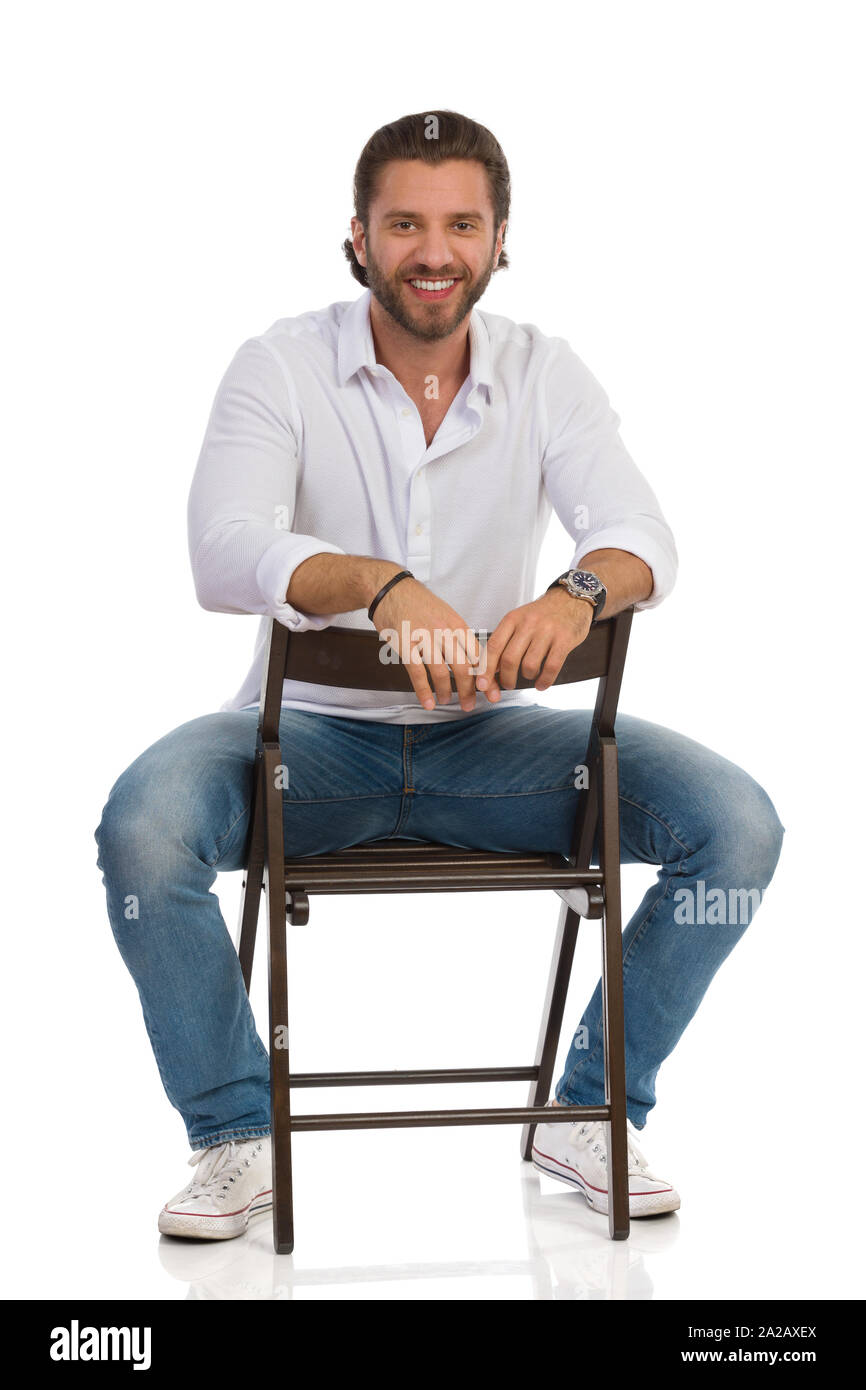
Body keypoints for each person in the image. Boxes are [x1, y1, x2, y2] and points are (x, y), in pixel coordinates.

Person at [95, 109, 784, 1240]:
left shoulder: (543, 371)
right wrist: (379, 583)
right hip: (300, 744)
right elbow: (222, 553)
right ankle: (231, 1132)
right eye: (404, 222)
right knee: (144, 826)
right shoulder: (278, 363)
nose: (433, 249)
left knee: (736, 823)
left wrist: (571, 596)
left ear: (499, 239)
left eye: (460, 223)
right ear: (357, 239)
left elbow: (641, 534)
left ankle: (588, 1109)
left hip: (489, 747)